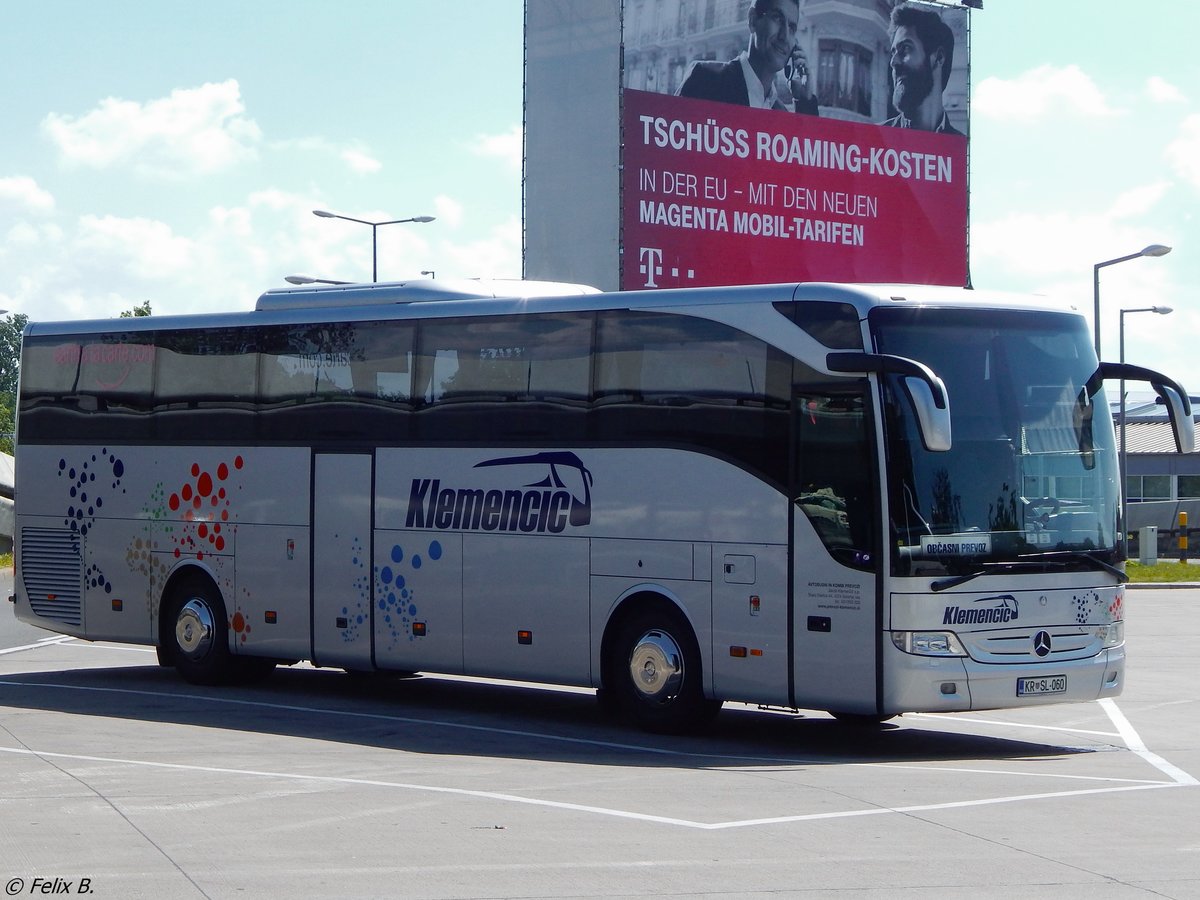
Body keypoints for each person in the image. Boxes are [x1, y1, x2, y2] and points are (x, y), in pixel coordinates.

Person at [677, 0, 819, 116]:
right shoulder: (704, 79)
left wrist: (804, 101)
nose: (785, 36)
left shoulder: (781, 113)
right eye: (777, 18)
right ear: (753, 20)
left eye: (792, 28)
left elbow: (809, 148)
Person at [882, 2, 963, 135]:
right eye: (893, 52)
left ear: (939, 58)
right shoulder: (876, 139)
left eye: (906, 48)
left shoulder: (959, 147)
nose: (893, 62)